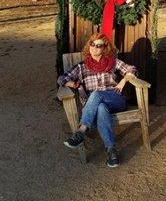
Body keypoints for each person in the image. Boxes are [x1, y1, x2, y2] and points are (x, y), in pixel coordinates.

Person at [57, 33, 137, 168]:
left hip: (115, 99)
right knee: (100, 108)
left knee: (96, 94)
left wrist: (124, 80)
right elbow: (61, 79)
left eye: (98, 46)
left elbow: (132, 69)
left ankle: (82, 130)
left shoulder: (112, 62)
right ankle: (111, 150)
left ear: (104, 48)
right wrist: (73, 84)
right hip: (95, 105)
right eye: (92, 44)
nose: (94, 48)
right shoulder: (82, 67)